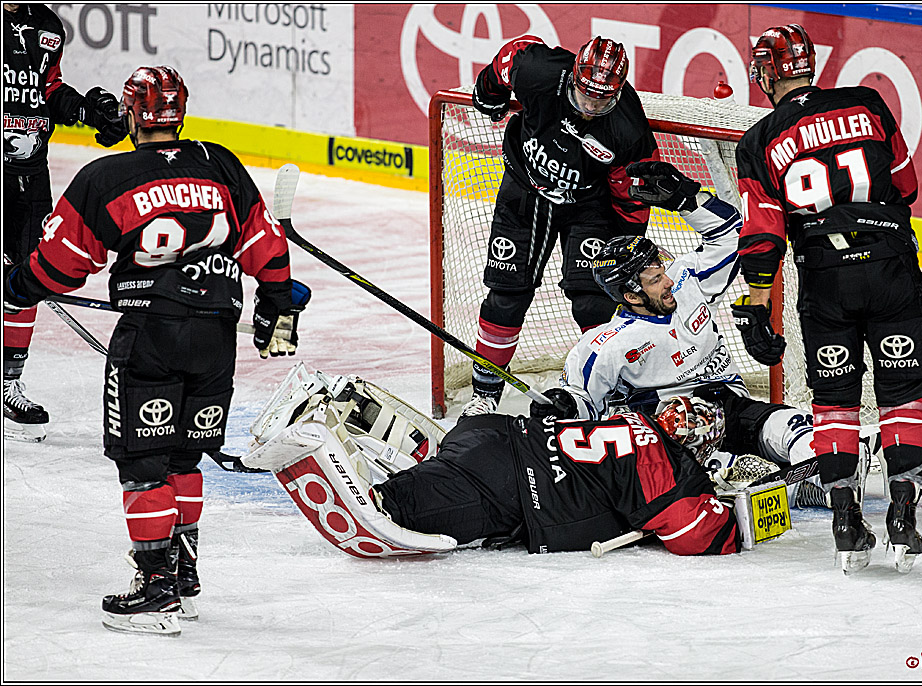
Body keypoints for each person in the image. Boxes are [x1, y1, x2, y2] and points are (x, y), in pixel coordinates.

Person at [3, 66, 308, 636]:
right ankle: (184, 576)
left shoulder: (107, 176)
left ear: (132, 112)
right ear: (181, 110)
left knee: (142, 463)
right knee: (185, 460)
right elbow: (267, 247)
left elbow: (61, 266)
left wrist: (16, 286)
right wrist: (276, 304)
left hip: (151, 339)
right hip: (217, 341)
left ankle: (156, 588)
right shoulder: (220, 163)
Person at [734, 24, 922, 574]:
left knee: (835, 405)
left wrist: (755, 308)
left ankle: (846, 522)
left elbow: (763, 237)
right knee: (902, 394)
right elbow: (908, 185)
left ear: (765, 73)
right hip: (890, 267)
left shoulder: (758, 142)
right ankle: (902, 516)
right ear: (809, 65)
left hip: (823, 278)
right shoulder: (868, 104)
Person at [526, 173, 829, 507]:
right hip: (673, 436)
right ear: (632, 295)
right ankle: (723, 474)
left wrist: (686, 200)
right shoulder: (605, 346)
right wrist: (563, 405)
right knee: (683, 422)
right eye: (655, 279)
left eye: (662, 269)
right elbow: (584, 403)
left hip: (730, 407)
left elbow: (732, 235)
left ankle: (815, 483)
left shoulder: (686, 282)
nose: (668, 280)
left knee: (798, 427)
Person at [244, 368, 741, 559]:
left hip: (495, 432)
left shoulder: (630, 418)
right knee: (390, 509)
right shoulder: (666, 468)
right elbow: (697, 536)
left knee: (440, 470)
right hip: (507, 488)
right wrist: (729, 509)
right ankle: (316, 426)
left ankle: (358, 412)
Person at [463, 34, 659, 417]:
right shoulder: (540, 71)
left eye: (602, 99)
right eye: (585, 94)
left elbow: (631, 198)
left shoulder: (628, 129)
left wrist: (625, 249)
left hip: (589, 205)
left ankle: (616, 390)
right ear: (572, 77)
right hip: (524, 189)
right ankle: (485, 393)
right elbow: (509, 57)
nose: (590, 106)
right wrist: (488, 90)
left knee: (596, 302)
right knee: (507, 295)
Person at [3, 2, 128, 442]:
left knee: (25, 273)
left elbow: (46, 90)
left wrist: (88, 112)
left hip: (29, 173)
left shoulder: (46, 24)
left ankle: (6, 384)